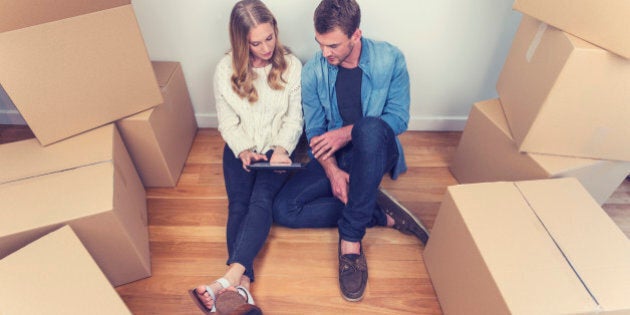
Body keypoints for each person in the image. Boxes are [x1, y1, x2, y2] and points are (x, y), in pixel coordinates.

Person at [272, 0, 428, 302]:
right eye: (320, 44)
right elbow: (316, 131)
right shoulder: (314, 71)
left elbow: (397, 118)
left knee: (368, 128)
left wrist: (348, 132)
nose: (324, 53)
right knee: (284, 210)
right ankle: (380, 214)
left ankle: (351, 241)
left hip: (377, 148)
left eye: (332, 45)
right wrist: (332, 171)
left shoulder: (390, 58)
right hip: (334, 155)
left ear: (356, 35)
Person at [189, 0, 303, 313]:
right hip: (241, 149)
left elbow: (295, 119)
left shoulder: (292, 66)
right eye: (256, 42)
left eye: (270, 37)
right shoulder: (224, 70)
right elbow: (226, 121)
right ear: (242, 42)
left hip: (277, 151)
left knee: (261, 201)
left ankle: (227, 281)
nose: (266, 47)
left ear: (275, 31)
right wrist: (241, 149)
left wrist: (280, 149)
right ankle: (244, 288)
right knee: (238, 205)